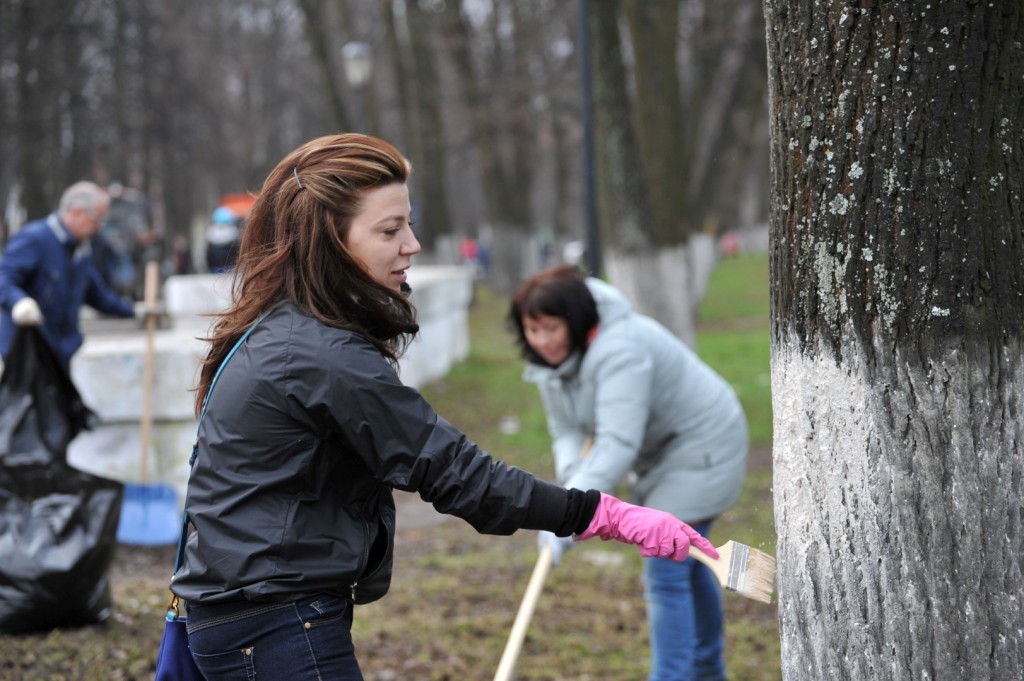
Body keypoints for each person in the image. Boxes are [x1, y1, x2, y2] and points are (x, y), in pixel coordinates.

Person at [168, 133, 719, 681]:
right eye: (389, 230)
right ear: (329, 240)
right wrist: (604, 515)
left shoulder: (283, 329)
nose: (412, 243)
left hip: (252, 615)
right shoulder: (319, 354)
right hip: (272, 625)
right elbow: (458, 472)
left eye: (408, 223)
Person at [509, 264, 749, 681]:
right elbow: (566, 428)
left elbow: (618, 444)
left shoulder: (619, 349)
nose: (543, 340)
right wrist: (572, 484)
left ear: (575, 318)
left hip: (702, 445)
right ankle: (709, 671)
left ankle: (682, 674)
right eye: (533, 329)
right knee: (693, 561)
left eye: (551, 327)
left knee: (666, 566)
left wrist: (566, 512)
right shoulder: (555, 360)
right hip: (661, 454)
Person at [0, 181, 138, 373]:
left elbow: (99, 295)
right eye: (97, 218)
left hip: (59, 356)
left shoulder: (80, 252)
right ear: (77, 211)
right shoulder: (34, 239)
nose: (99, 227)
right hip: (25, 356)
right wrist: (19, 302)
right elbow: (3, 279)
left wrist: (135, 311)